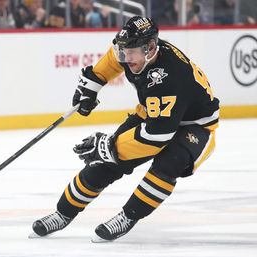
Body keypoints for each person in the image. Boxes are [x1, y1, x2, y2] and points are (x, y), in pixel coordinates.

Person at [31, 16, 219, 242]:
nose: (125, 58)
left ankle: (128, 217)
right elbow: (111, 61)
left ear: (150, 48)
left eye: (131, 53)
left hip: (195, 126)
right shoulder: (134, 53)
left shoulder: (169, 77)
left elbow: (158, 137)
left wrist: (109, 145)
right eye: (123, 51)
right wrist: (91, 86)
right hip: (155, 115)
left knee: (170, 162)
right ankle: (62, 213)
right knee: (106, 162)